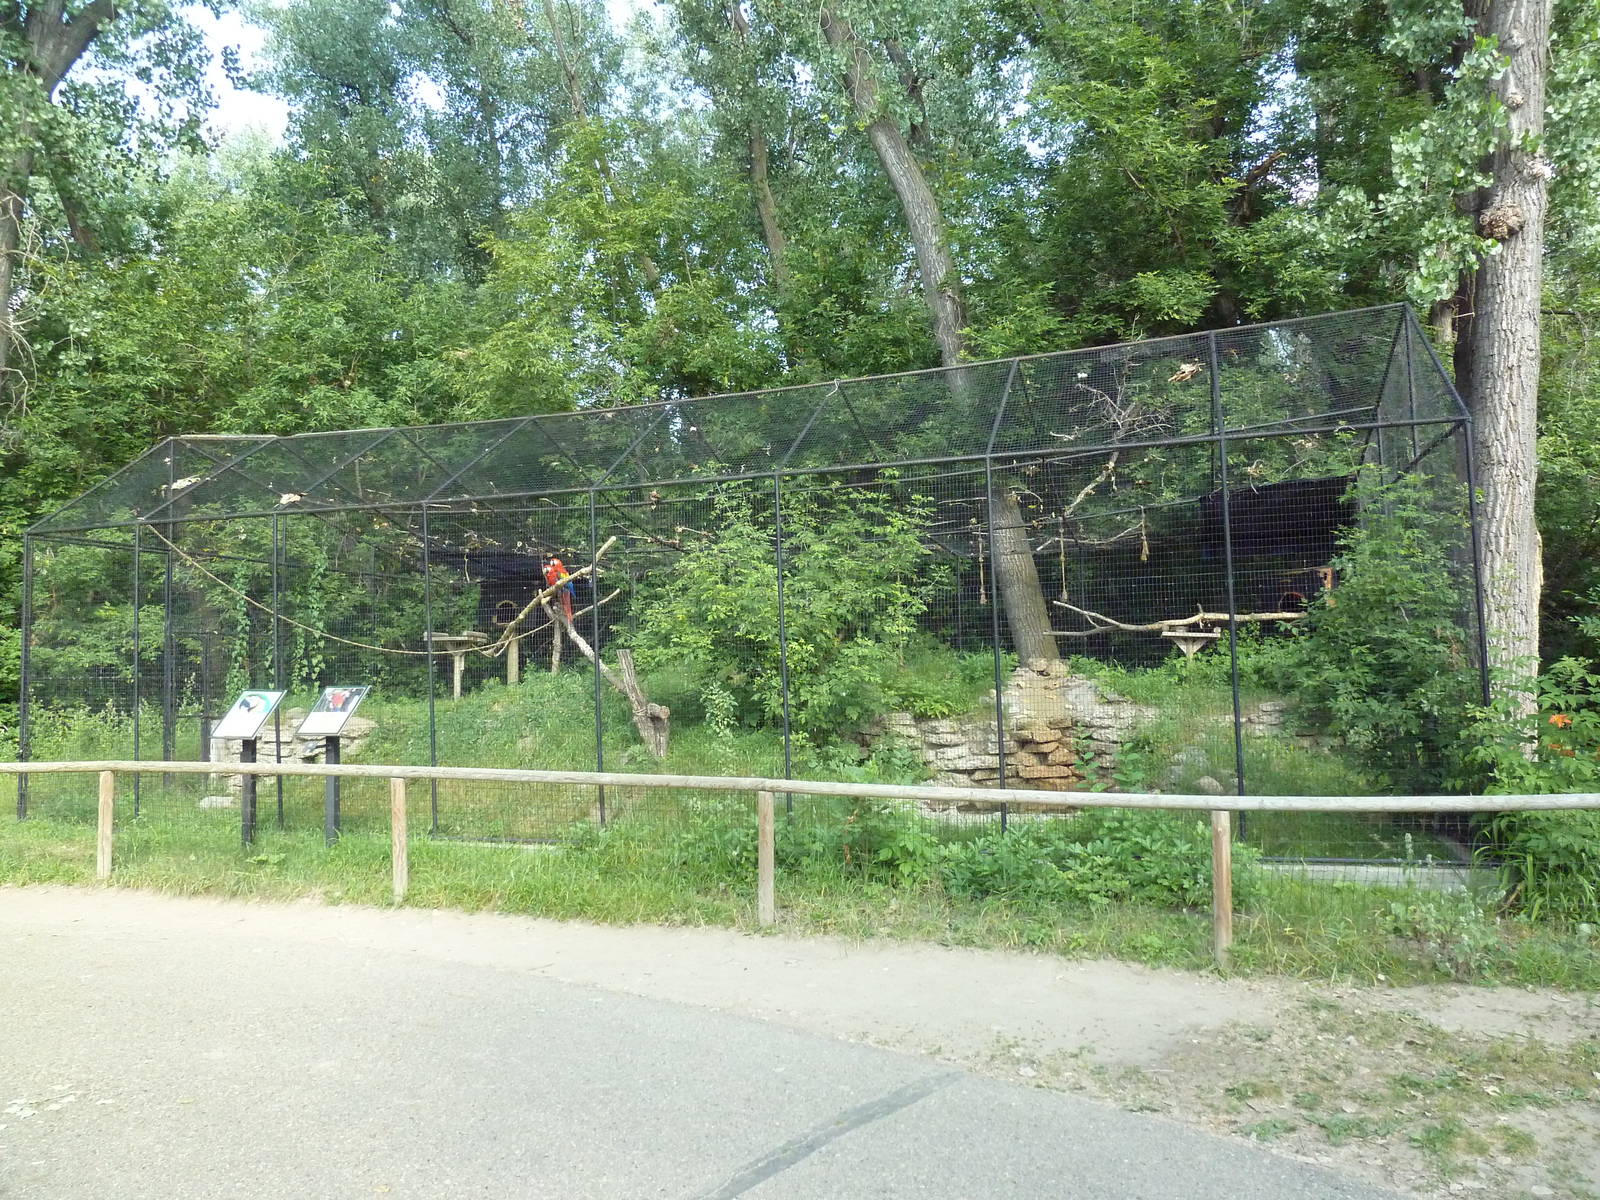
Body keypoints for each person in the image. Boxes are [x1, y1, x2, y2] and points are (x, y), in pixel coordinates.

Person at [544, 555, 575, 621]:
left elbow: (567, 582)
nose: (551, 563)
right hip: (561, 589)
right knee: (563, 601)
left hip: (566, 588)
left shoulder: (560, 570)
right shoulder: (554, 571)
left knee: (566, 602)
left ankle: (569, 615)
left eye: (553, 561)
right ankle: (566, 614)